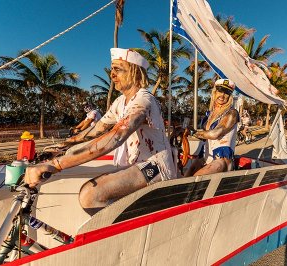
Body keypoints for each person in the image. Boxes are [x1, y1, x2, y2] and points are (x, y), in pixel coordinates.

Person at [24, 48, 176, 215]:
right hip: (134, 165)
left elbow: (116, 137)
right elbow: (97, 129)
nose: (112, 75)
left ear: (135, 73)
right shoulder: (120, 102)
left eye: (118, 69)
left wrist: (57, 165)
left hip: (156, 167)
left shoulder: (143, 99)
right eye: (112, 70)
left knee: (90, 194)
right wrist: (62, 147)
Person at [184, 79, 239, 177]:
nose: (222, 96)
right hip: (206, 157)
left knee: (196, 178)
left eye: (226, 93)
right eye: (220, 91)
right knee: (186, 176)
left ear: (230, 96)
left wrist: (193, 133)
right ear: (214, 92)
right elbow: (205, 136)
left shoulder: (232, 113)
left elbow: (215, 134)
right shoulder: (210, 114)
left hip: (221, 160)